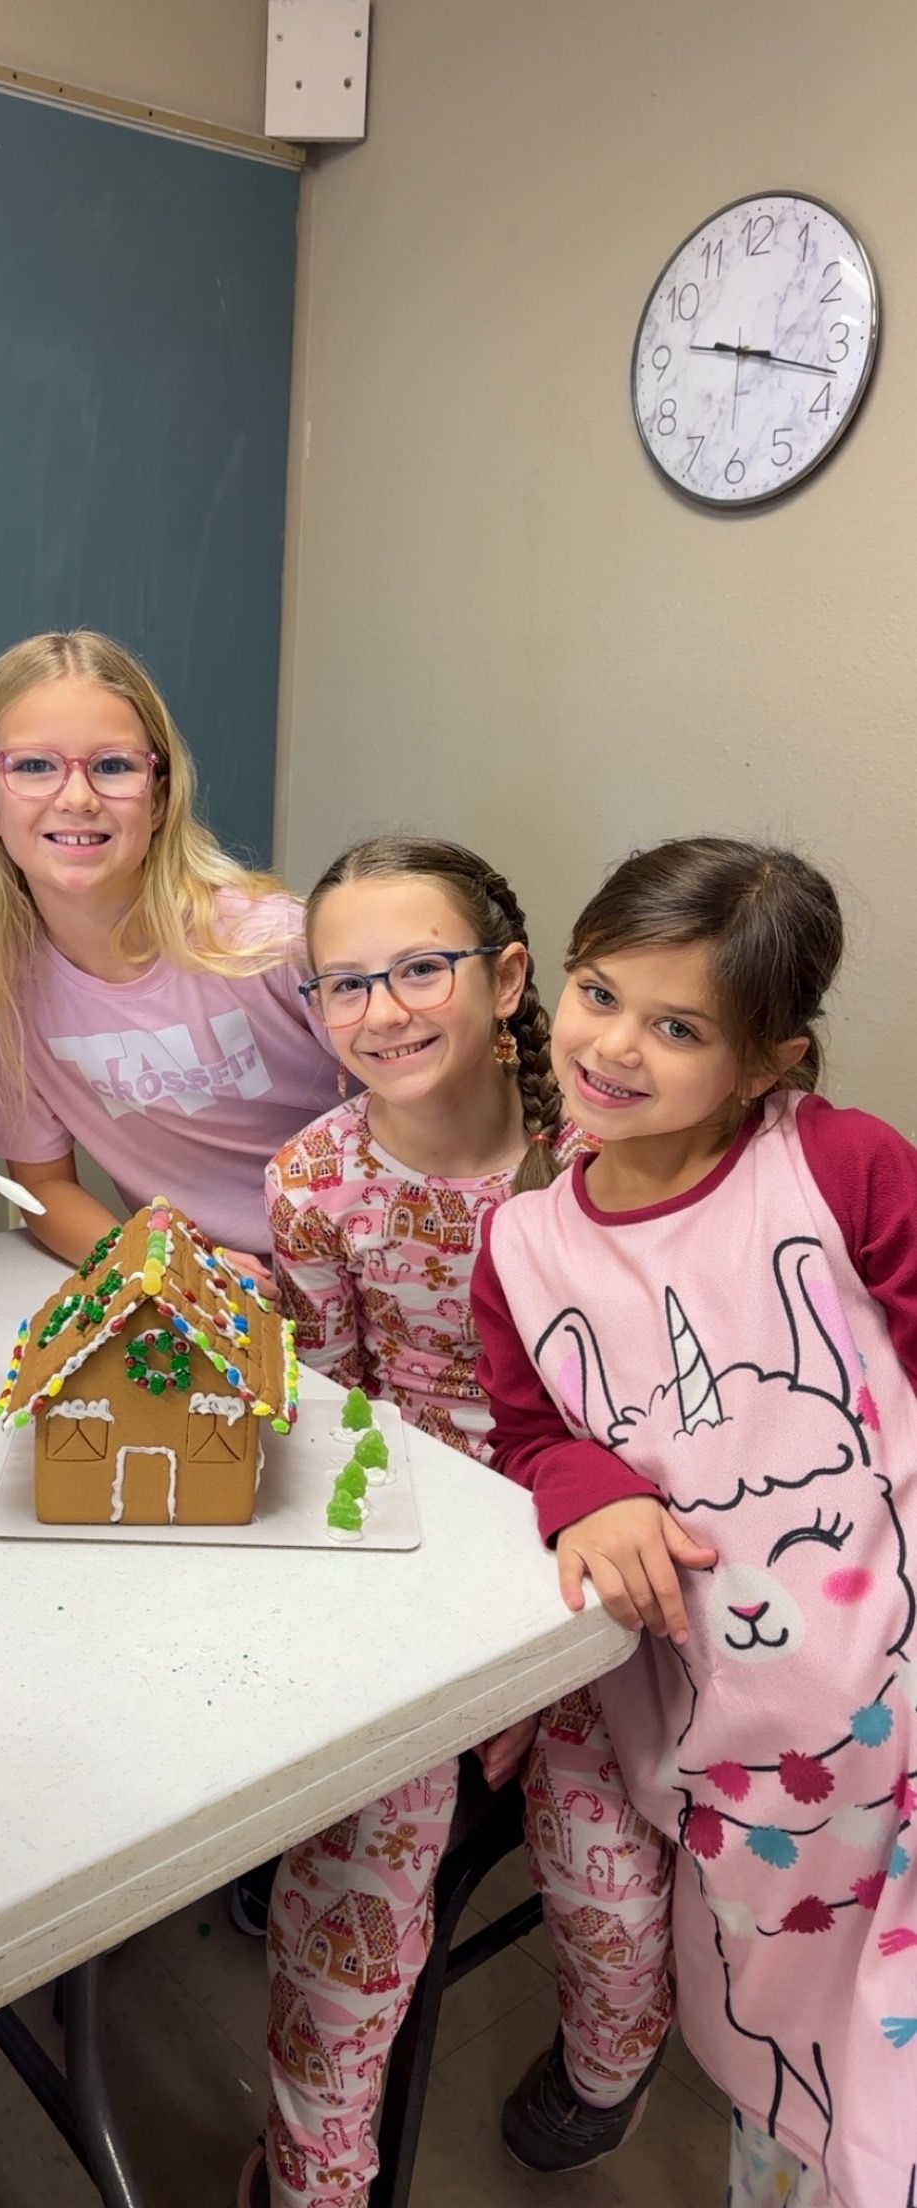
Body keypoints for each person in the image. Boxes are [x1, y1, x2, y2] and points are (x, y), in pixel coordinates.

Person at [475, 836, 917, 2206]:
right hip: (741, 1757)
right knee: (784, 2043)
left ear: (769, 1059)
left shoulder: (838, 1167)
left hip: (904, 1700)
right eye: (598, 993)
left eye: (677, 1027)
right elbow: (534, 1431)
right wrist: (588, 1495)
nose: (613, 1045)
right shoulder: (524, 1243)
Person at [240, 837, 670, 2208]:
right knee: (351, 1897)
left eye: (419, 968)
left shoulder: (614, 1158)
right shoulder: (315, 1181)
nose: (383, 1010)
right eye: (343, 984)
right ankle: (313, 2178)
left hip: (596, 1573)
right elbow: (329, 1407)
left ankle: (607, 2072)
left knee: (607, 1900)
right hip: (417, 1578)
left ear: (502, 979)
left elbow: (670, 1409)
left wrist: (546, 1649)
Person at [0, 629, 341, 1280]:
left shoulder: (274, 945)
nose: (76, 797)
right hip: (204, 1297)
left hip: (374, 1282)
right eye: (35, 766)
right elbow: (44, 1187)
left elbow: (422, 1116)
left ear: (158, 798)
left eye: (112, 766)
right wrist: (160, 1263)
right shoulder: (4, 987)